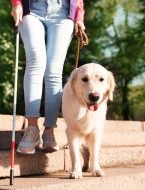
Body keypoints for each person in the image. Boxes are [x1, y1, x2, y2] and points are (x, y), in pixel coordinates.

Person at [11, 0, 85, 154]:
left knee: (54, 72)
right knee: (35, 63)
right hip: (32, 9)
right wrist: (16, 3)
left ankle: (49, 130)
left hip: (63, 13)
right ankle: (31, 128)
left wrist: (79, 16)